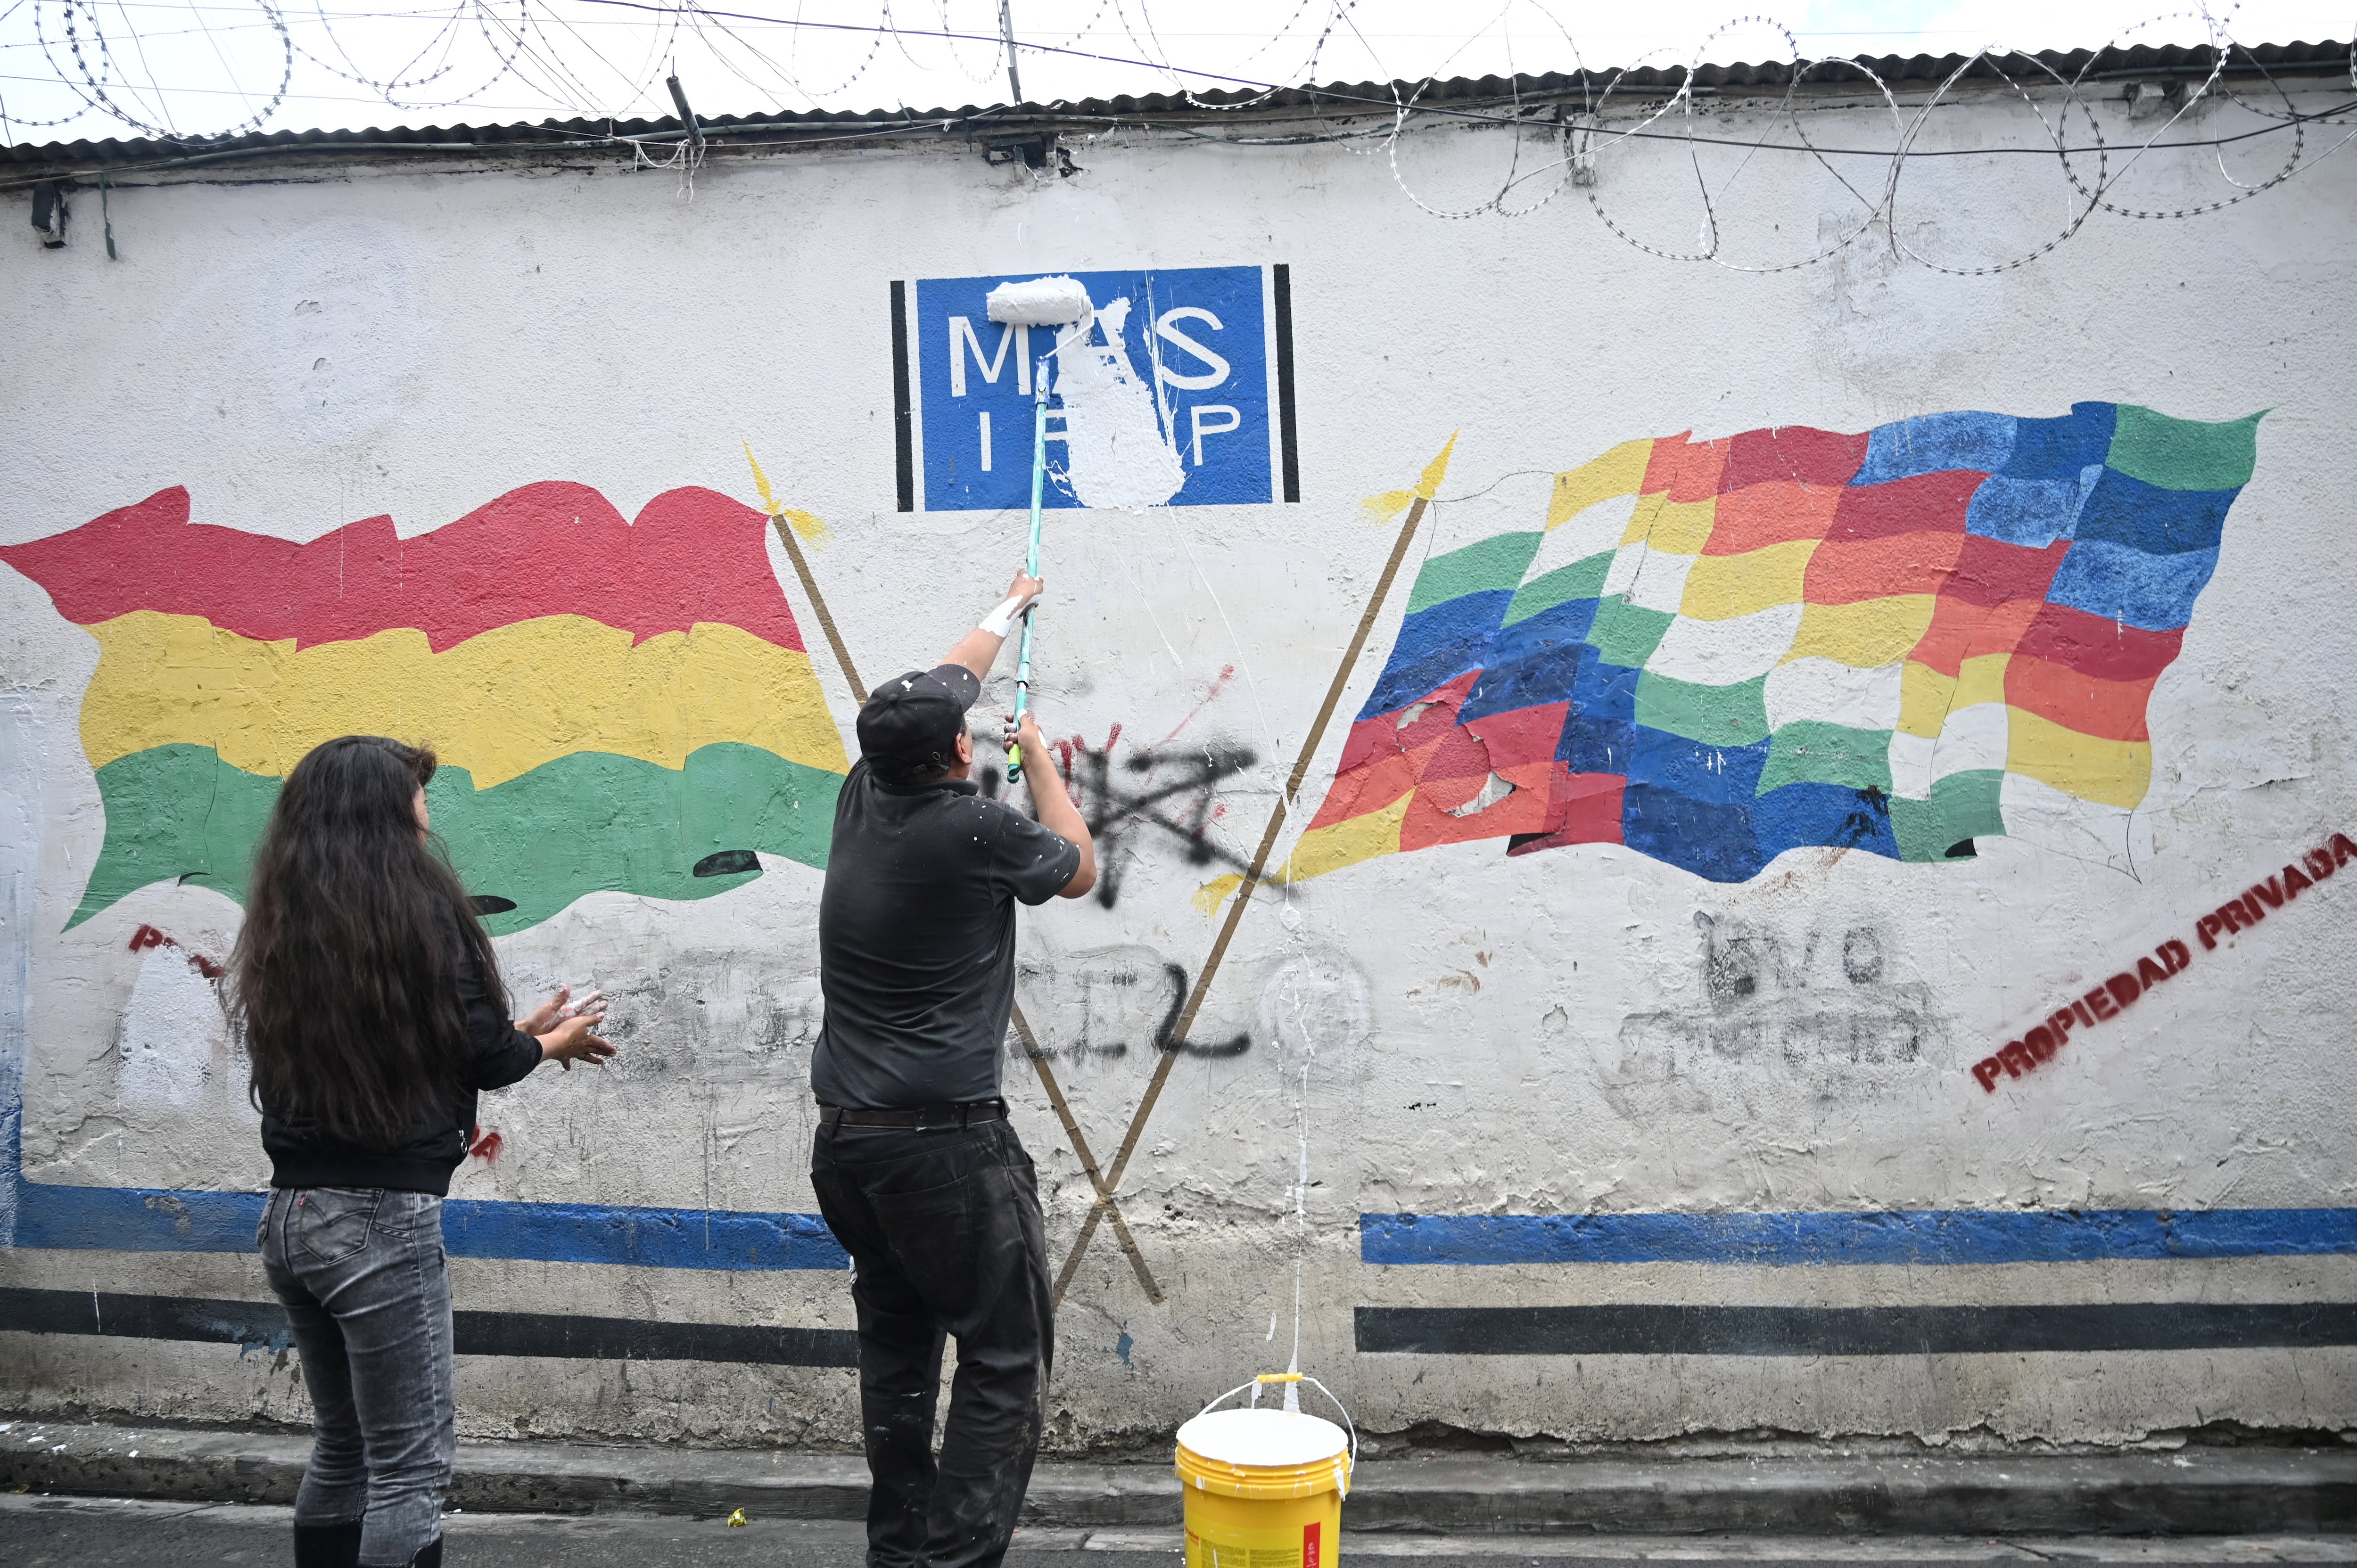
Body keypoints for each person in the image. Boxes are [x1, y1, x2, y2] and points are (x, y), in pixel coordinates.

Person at [231, 734, 616, 1568]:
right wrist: (547, 1043)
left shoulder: (287, 919)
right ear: (390, 811)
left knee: (344, 1448)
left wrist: (518, 1034)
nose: (426, 811)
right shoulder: (422, 909)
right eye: (417, 793)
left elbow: (414, 1048)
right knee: (409, 1468)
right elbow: (487, 1057)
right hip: (377, 1223)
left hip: (293, 1215)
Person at [809, 569, 1096, 1568]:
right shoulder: (978, 827)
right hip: (947, 1149)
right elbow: (1078, 868)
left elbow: (946, 680)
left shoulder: (861, 795)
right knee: (1004, 1357)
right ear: (961, 754)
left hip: (849, 1145)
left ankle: (899, 1555)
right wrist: (1042, 760)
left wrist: (1006, 609)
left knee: (898, 1355)